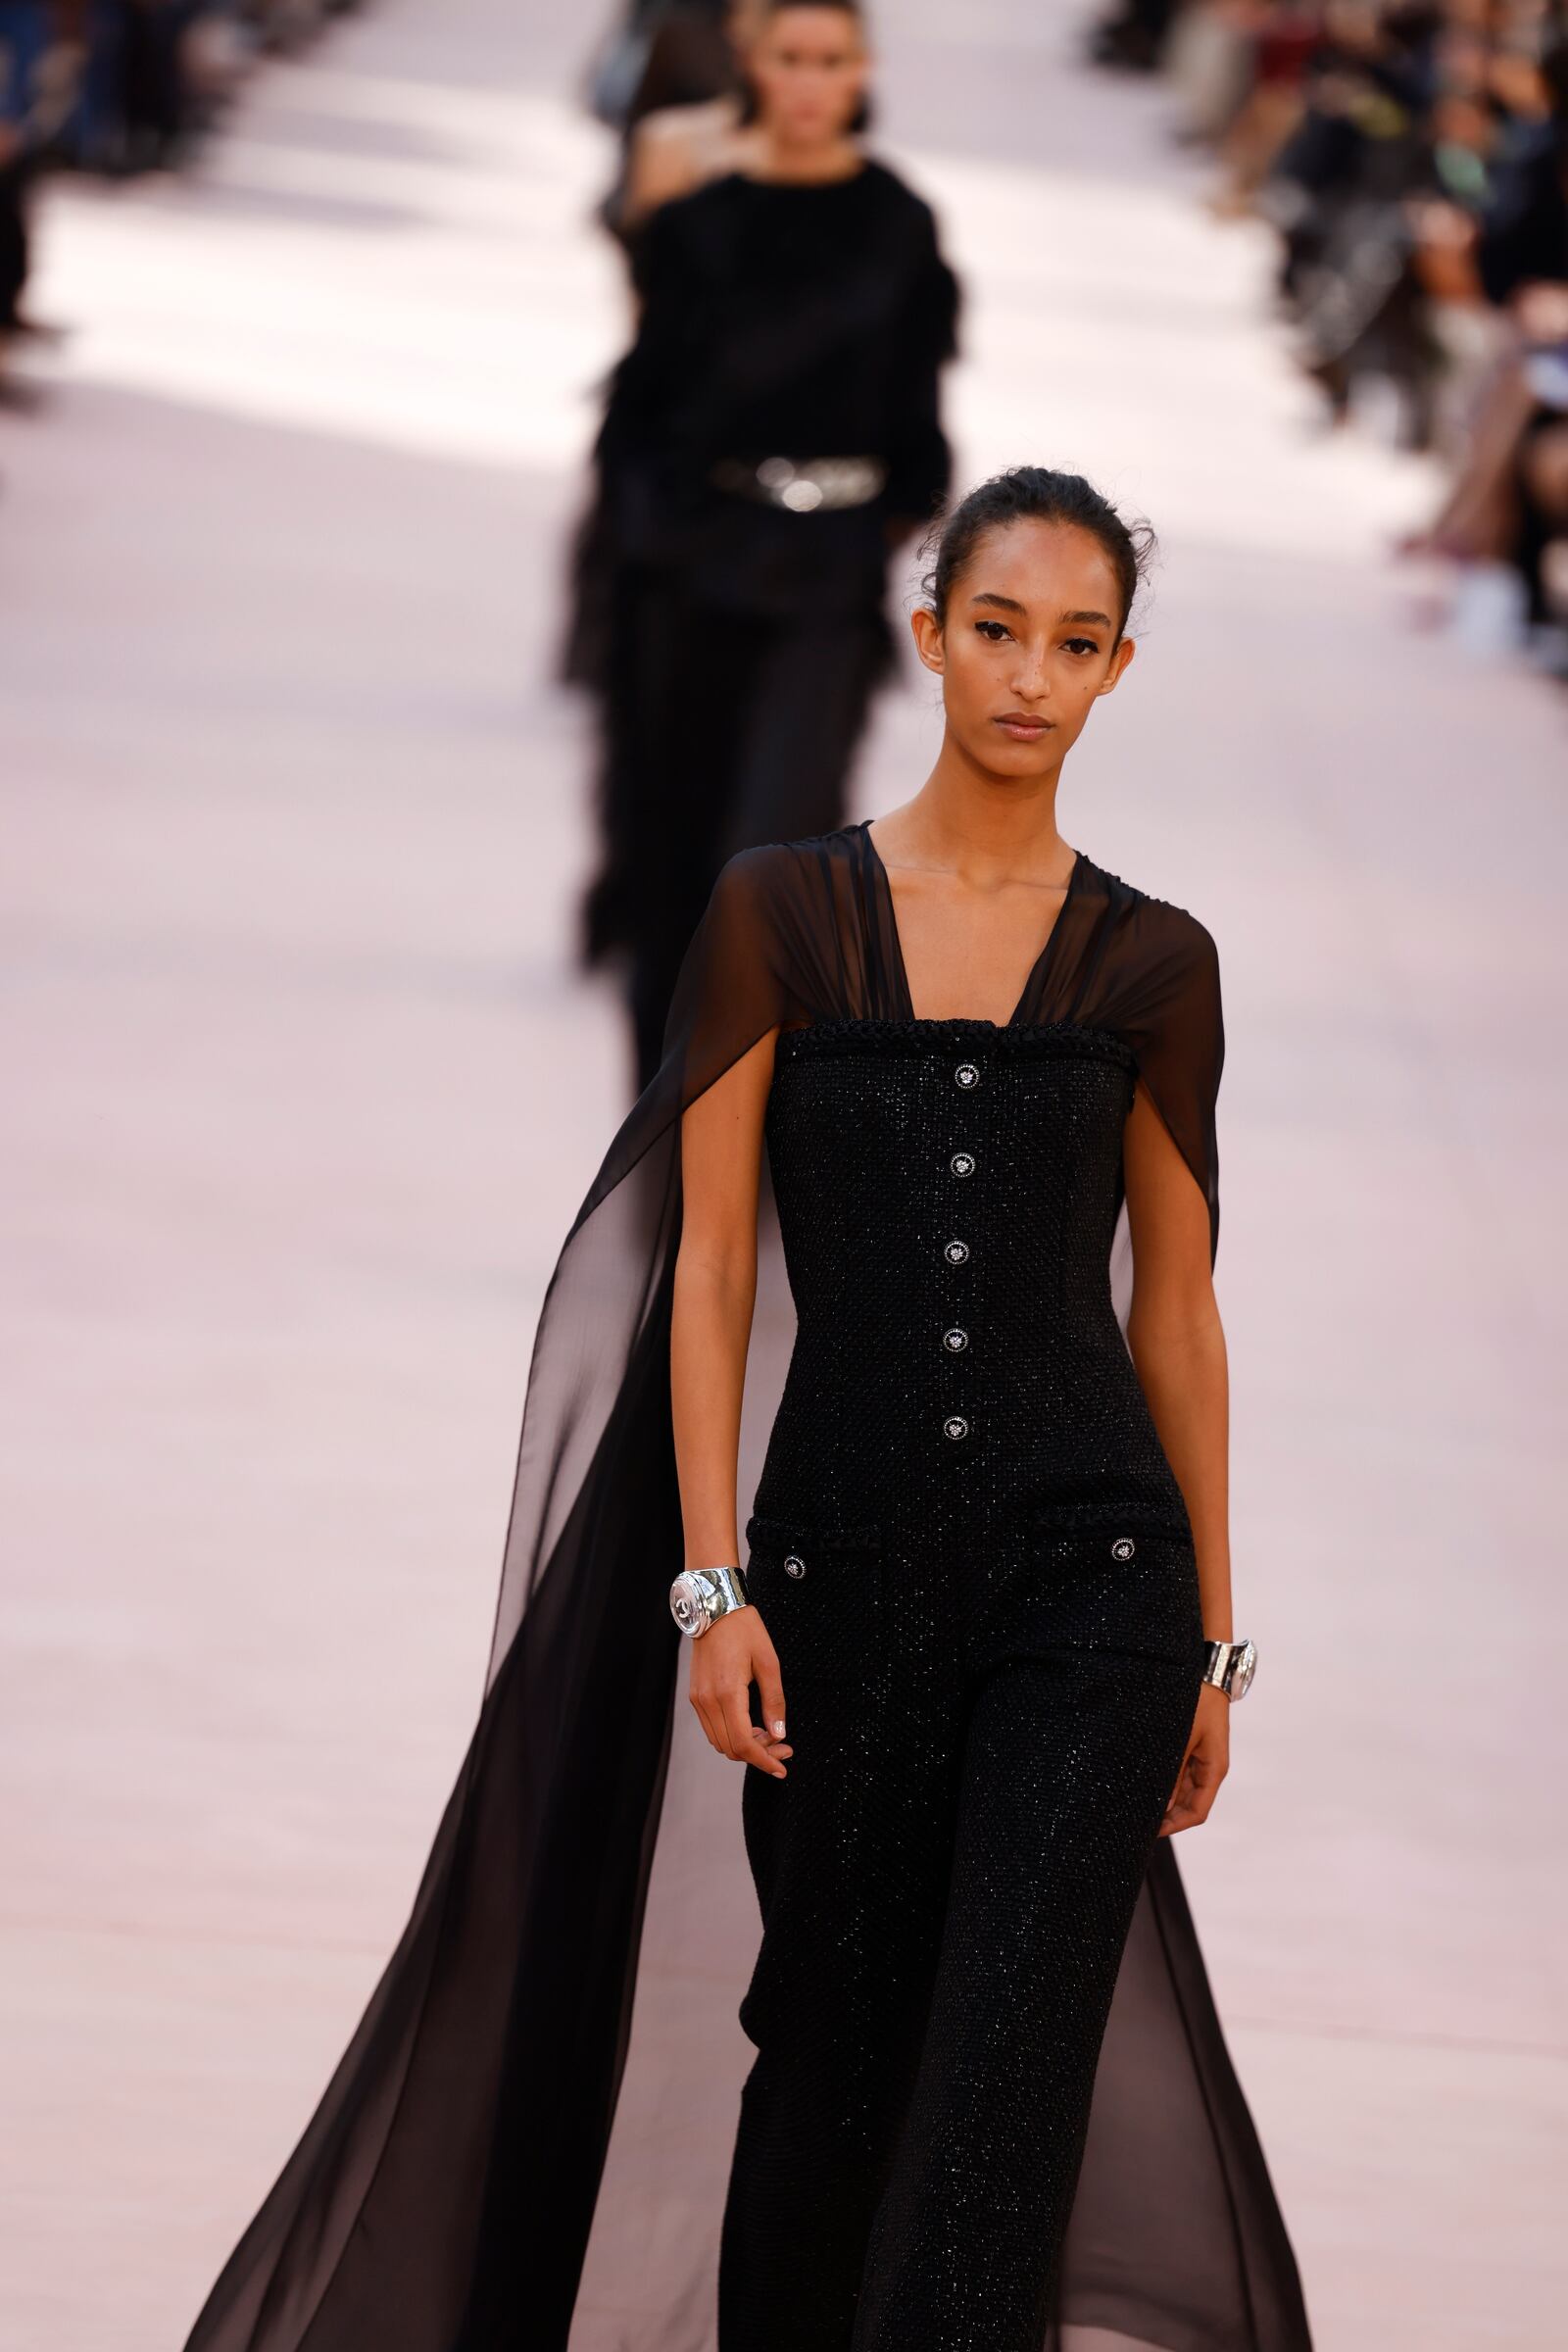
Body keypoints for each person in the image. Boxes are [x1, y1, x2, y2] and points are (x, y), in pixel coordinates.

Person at [180, 466, 1314, 2350]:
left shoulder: (1155, 963)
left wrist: (1212, 1637)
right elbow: (708, 1273)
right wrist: (714, 1586)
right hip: (840, 1565)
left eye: (1079, 643)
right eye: (999, 627)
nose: (1031, 676)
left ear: (1121, 671)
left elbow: (1178, 1315)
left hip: (1090, 1575)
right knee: (830, 2063)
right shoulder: (776, 914)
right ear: (929, 625)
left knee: (1007, 2076)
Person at [564, 0, 959, 1094]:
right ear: (752, 63)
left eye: (831, 60)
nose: (808, 82)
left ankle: (746, 1125)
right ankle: (659, 1128)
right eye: (789, 58)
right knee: (673, 855)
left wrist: (891, 529)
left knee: (777, 858)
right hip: (690, 570)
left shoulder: (898, 224)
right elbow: (640, 409)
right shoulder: (699, 220)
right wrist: (662, 533)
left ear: (861, 72)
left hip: (824, 582)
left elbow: (919, 420)